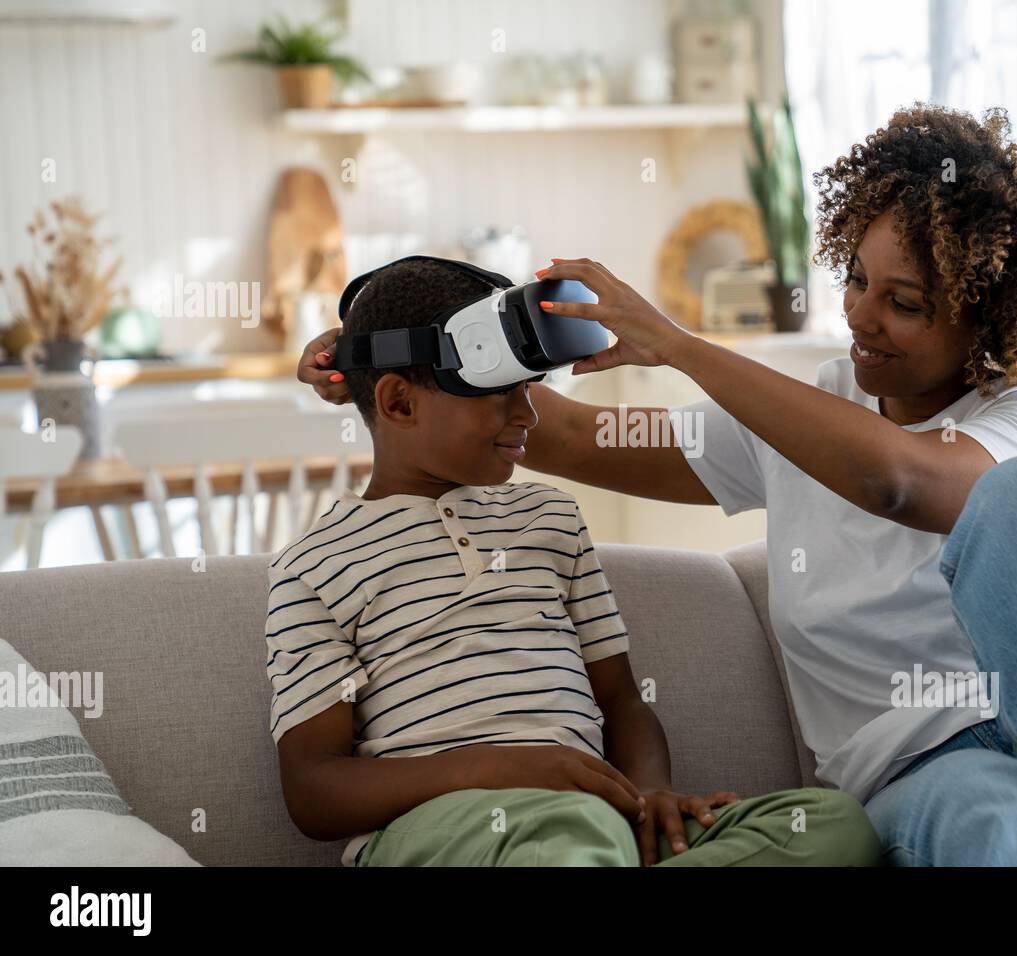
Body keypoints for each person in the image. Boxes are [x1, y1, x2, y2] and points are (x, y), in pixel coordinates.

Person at [299, 105, 1017, 866]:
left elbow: (900, 480)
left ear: (993, 317)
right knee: (995, 823)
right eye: (855, 278)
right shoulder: (798, 416)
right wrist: (393, 364)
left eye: (905, 303)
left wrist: (676, 344)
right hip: (948, 774)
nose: (862, 318)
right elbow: (581, 436)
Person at [267, 257, 878, 867]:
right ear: (398, 403)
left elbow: (622, 704)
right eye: (500, 394)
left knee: (832, 825)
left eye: (529, 390)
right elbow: (314, 790)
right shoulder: (314, 566)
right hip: (443, 834)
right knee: (574, 833)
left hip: (594, 824)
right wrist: (497, 768)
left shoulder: (550, 519)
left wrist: (647, 796)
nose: (529, 416)